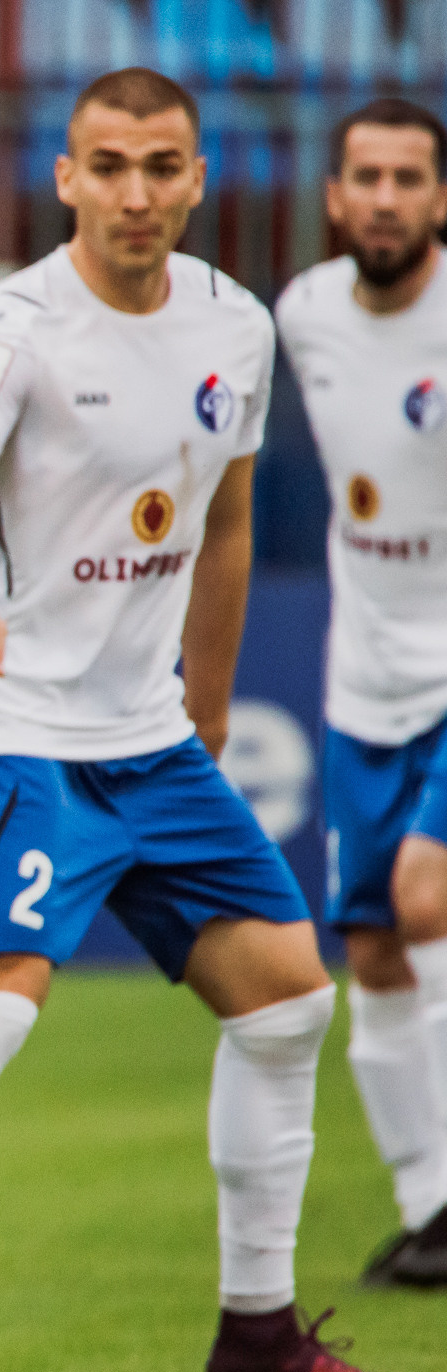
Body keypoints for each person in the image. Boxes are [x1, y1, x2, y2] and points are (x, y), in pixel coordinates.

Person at [0, 69, 428, 1372]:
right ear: (67, 179)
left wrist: (206, 704)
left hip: (149, 742)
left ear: (198, 180)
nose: (137, 191)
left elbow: (231, 522)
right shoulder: (14, 326)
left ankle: (257, 1334)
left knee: (287, 994)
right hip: (7, 728)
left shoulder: (235, 328)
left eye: (162, 166)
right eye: (110, 165)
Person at [275, 97, 447, 1289]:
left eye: (408, 178)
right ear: (334, 196)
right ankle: (430, 1205)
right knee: (372, 943)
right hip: (360, 676)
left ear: (439, 199)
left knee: (424, 898)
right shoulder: (303, 313)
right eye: (365, 177)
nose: (384, 197)